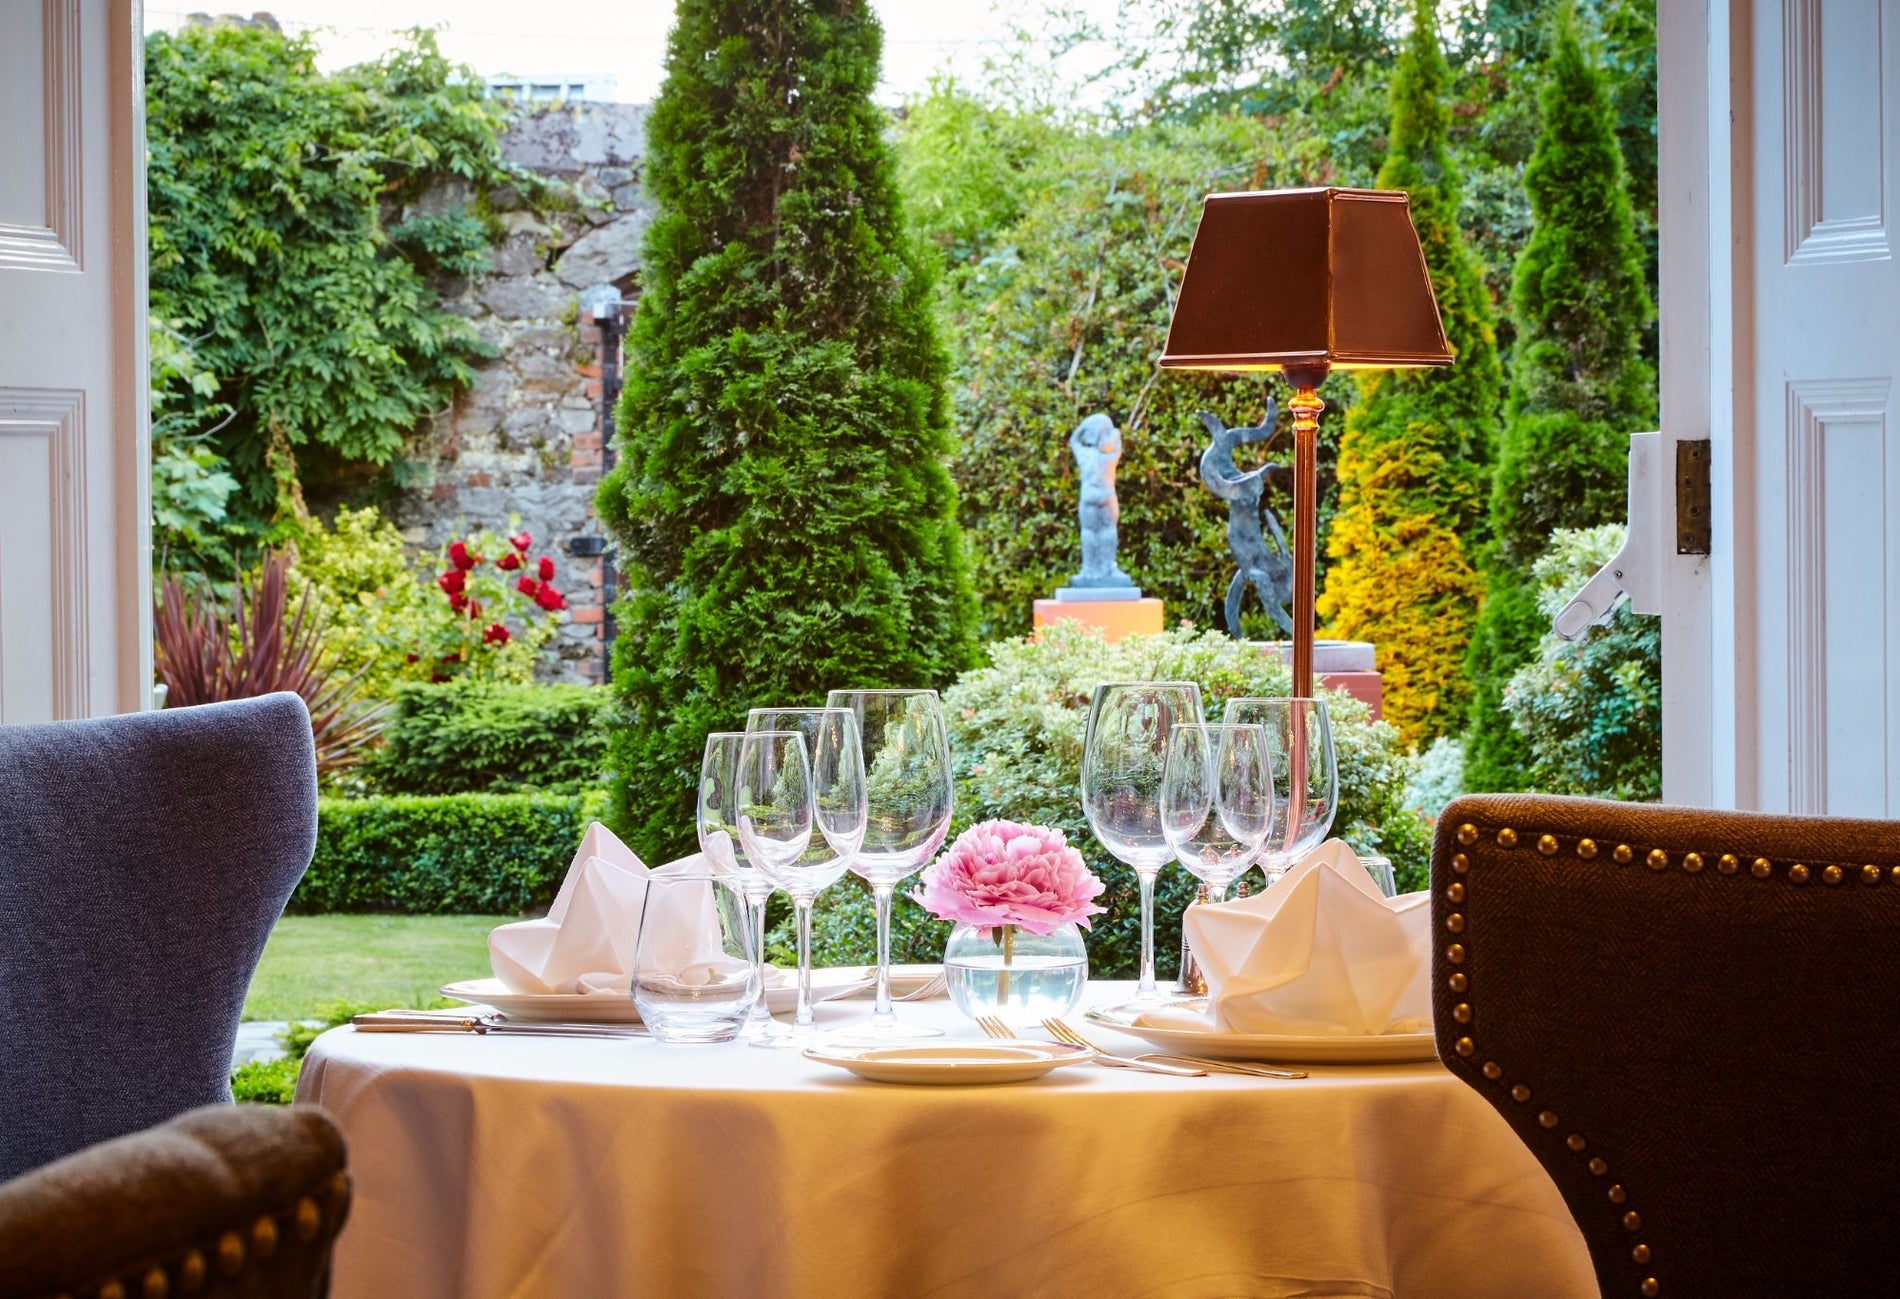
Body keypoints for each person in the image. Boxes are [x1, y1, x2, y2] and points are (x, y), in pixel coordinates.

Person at [1198, 406, 1294, 638]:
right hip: (1244, 533)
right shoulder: (1277, 569)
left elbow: (1243, 597)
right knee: (1227, 445)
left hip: (1246, 539)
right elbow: (1273, 608)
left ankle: (1239, 636)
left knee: (1251, 579)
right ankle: (1295, 634)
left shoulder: (1266, 571)